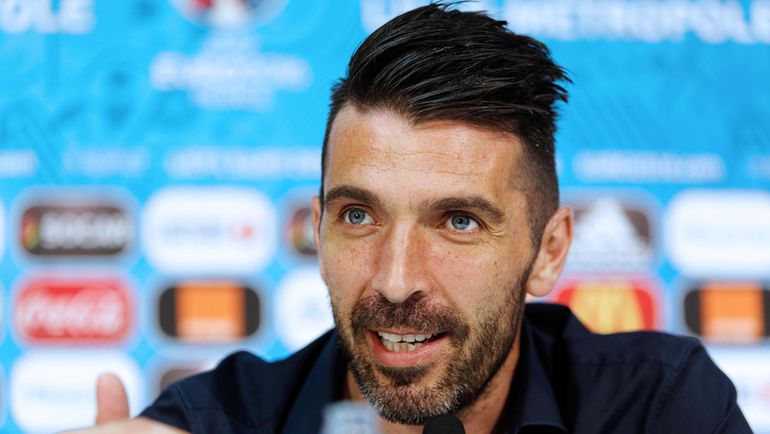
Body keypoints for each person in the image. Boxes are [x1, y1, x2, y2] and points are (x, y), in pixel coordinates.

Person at [67, 3, 751, 434]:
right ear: (319, 230)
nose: (395, 282)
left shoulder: (657, 407)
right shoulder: (216, 421)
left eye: (458, 222)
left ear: (547, 252)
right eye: (358, 214)